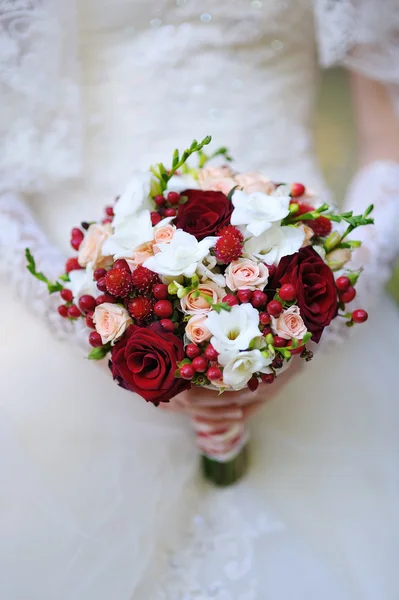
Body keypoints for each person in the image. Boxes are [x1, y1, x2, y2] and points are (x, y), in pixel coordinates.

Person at [0, 1, 398, 598]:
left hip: (294, 281)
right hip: (73, 305)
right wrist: (89, 319)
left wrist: (324, 313)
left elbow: (387, 146)